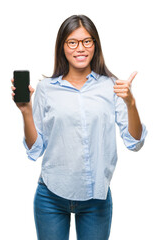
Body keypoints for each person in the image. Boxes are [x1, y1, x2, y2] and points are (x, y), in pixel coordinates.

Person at [11, 15, 147, 240]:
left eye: (87, 41)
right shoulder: (46, 89)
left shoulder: (112, 86)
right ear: (62, 47)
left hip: (96, 198)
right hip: (50, 196)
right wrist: (26, 111)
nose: (80, 48)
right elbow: (35, 149)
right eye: (72, 42)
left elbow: (135, 143)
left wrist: (131, 104)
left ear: (95, 45)